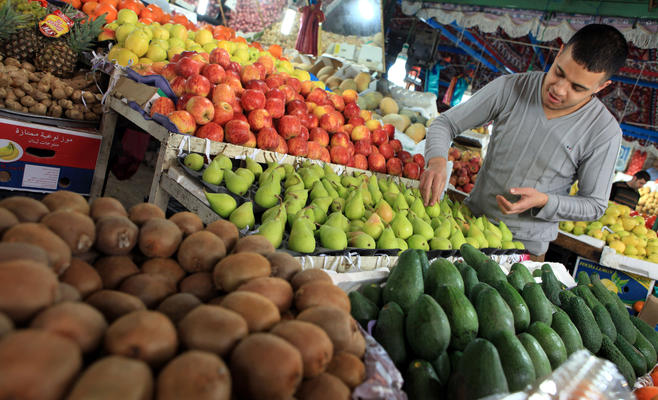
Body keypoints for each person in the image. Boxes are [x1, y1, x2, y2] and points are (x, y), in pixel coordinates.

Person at [420, 24, 628, 259]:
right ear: (559, 53)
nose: (559, 89)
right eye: (559, 72)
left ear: (601, 87)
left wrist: (545, 201)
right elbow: (445, 123)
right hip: (465, 227)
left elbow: (594, 205)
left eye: (577, 88)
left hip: (525, 249)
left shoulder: (604, 132)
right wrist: (437, 160)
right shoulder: (510, 88)